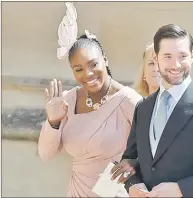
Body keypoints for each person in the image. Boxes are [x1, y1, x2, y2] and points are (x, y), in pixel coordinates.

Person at [112, 24, 193, 197]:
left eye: (182, 56)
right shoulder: (143, 108)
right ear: (156, 59)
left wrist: (181, 189)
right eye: (167, 56)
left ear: (192, 56)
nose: (175, 64)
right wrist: (132, 185)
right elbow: (130, 160)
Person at [38, 3, 142, 197]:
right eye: (79, 69)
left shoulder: (128, 100)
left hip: (114, 192)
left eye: (93, 64)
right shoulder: (68, 100)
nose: (88, 74)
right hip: (76, 192)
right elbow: (46, 154)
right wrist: (53, 122)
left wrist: (134, 162)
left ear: (105, 59)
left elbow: (158, 146)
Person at [111, 43, 161, 184]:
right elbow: (128, 158)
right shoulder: (138, 107)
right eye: (151, 63)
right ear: (144, 73)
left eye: (160, 62)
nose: (156, 68)